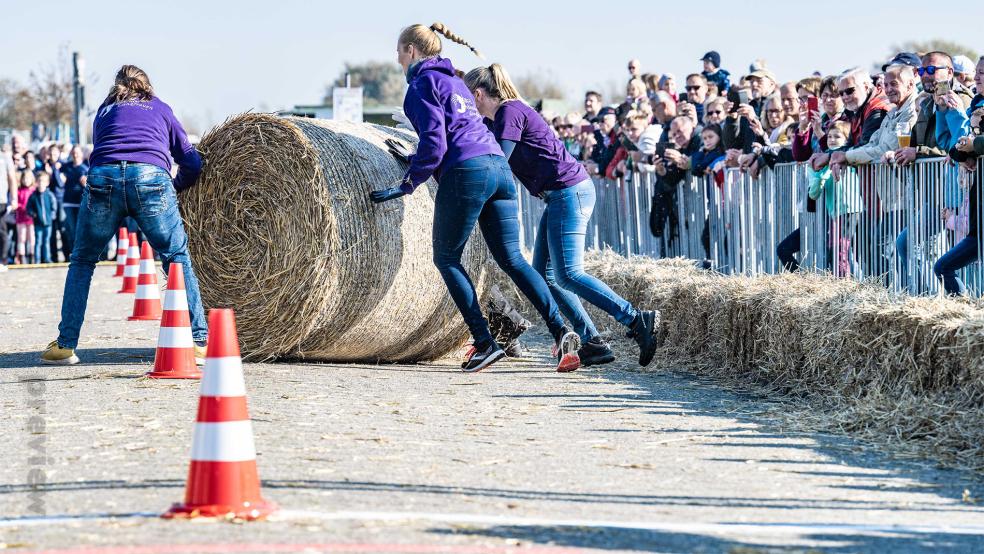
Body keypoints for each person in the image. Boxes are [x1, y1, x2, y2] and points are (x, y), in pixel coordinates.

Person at [371, 23, 579, 373]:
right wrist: (418, 157)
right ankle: (561, 332)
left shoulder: (422, 84)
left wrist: (409, 182)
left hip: (466, 172)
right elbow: (455, 133)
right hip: (498, 167)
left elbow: (436, 144)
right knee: (513, 258)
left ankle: (484, 343)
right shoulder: (456, 82)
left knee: (447, 257)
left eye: (398, 52)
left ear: (410, 50)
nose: (397, 60)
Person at [464, 64, 661, 369]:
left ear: (477, 94)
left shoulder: (509, 112)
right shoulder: (498, 119)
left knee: (569, 273)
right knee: (546, 274)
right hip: (561, 194)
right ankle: (593, 342)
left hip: (568, 192)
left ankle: (636, 318)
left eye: (466, 97)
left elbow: (497, 163)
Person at [41, 65, 207, 365]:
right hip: (150, 178)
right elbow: (191, 162)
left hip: (103, 179)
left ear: (117, 86)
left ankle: (65, 345)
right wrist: (175, 186)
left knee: (82, 261)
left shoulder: (104, 111)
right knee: (176, 257)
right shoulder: (161, 108)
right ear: (147, 85)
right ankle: (198, 340)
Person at [60, 145, 87, 259]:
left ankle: (80, 252)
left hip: (81, 201)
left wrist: (85, 184)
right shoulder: (66, 167)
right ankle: (72, 252)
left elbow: (90, 185)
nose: (75, 155)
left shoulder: (86, 168)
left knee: (80, 228)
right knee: (70, 228)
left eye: (77, 152)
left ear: (81, 154)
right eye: (73, 153)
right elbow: (58, 176)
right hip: (68, 202)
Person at [27, 172, 57, 264]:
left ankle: (47, 259)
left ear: (47, 183)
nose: (41, 183)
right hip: (38, 223)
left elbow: (54, 206)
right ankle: (37, 260)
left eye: (43, 181)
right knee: (38, 242)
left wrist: (52, 216)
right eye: (39, 181)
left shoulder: (49, 195)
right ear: (36, 182)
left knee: (46, 241)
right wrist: (33, 214)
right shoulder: (33, 196)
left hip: (48, 223)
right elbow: (28, 208)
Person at [0, 149, 15, 272]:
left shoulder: (5, 157)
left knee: (2, 231)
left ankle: (2, 261)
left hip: (1, 200)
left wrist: (13, 198)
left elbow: (12, 179)